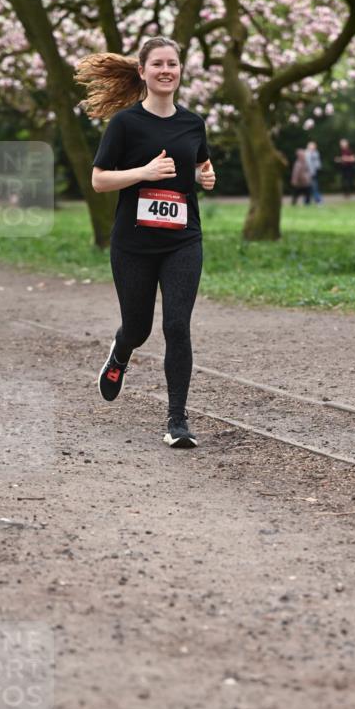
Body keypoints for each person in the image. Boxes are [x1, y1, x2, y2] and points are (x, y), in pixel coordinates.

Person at [74, 36, 216, 448]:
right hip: (133, 244)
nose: (166, 70)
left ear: (180, 70)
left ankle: (177, 421)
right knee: (138, 328)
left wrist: (206, 177)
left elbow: (201, 164)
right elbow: (99, 180)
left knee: (177, 325)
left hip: (182, 240)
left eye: (172, 63)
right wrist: (144, 173)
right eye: (158, 64)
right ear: (142, 71)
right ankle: (121, 352)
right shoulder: (125, 124)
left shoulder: (193, 123)